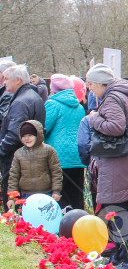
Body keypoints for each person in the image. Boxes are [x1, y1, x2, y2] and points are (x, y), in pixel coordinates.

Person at [85, 64, 128, 269]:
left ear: (101, 82)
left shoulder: (110, 98)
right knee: (118, 209)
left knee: (117, 211)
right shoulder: (123, 94)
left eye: (91, 84)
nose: (90, 88)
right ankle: (121, 256)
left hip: (119, 160)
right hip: (127, 157)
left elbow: (116, 127)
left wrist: (94, 118)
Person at [0, 64, 46, 210]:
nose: (4, 82)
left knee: (14, 201)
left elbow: (14, 134)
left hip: (14, 159)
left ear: (18, 80)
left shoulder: (20, 101)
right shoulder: (34, 96)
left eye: (7, 79)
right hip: (31, 157)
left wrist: (1, 150)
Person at [44, 74, 85, 210]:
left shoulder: (52, 104)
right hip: (77, 156)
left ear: (53, 88)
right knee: (76, 196)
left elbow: (45, 128)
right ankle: (79, 223)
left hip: (58, 156)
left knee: (58, 196)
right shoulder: (79, 106)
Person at [8, 120, 62, 200]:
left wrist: (56, 191)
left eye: (30, 135)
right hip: (26, 194)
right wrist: (11, 198)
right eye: (24, 136)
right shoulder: (18, 153)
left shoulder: (48, 150)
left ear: (38, 135)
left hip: (47, 193)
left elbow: (56, 172)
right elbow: (13, 176)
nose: (27, 138)